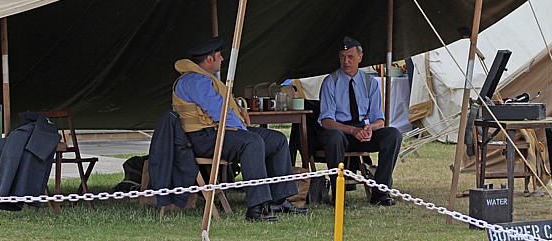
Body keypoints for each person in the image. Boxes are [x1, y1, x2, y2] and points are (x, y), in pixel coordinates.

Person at [172, 36, 308, 222]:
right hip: (202, 138)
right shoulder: (196, 81)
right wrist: (244, 131)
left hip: (219, 132)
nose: (222, 59)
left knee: (276, 140)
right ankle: (256, 208)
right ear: (209, 59)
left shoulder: (205, 78)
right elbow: (219, 112)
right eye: (219, 55)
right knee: (251, 142)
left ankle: (279, 199)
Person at [318, 36, 403, 206]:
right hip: (341, 132)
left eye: (350, 57)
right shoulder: (331, 82)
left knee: (393, 134)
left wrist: (371, 128)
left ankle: (380, 191)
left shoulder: (369, 82)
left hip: (363, 131)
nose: (346, 61)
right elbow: (326, 120)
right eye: (342, 57)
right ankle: (338, 194)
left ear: (360, 58)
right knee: (334, 136)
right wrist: (351, 130)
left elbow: (379, 118)